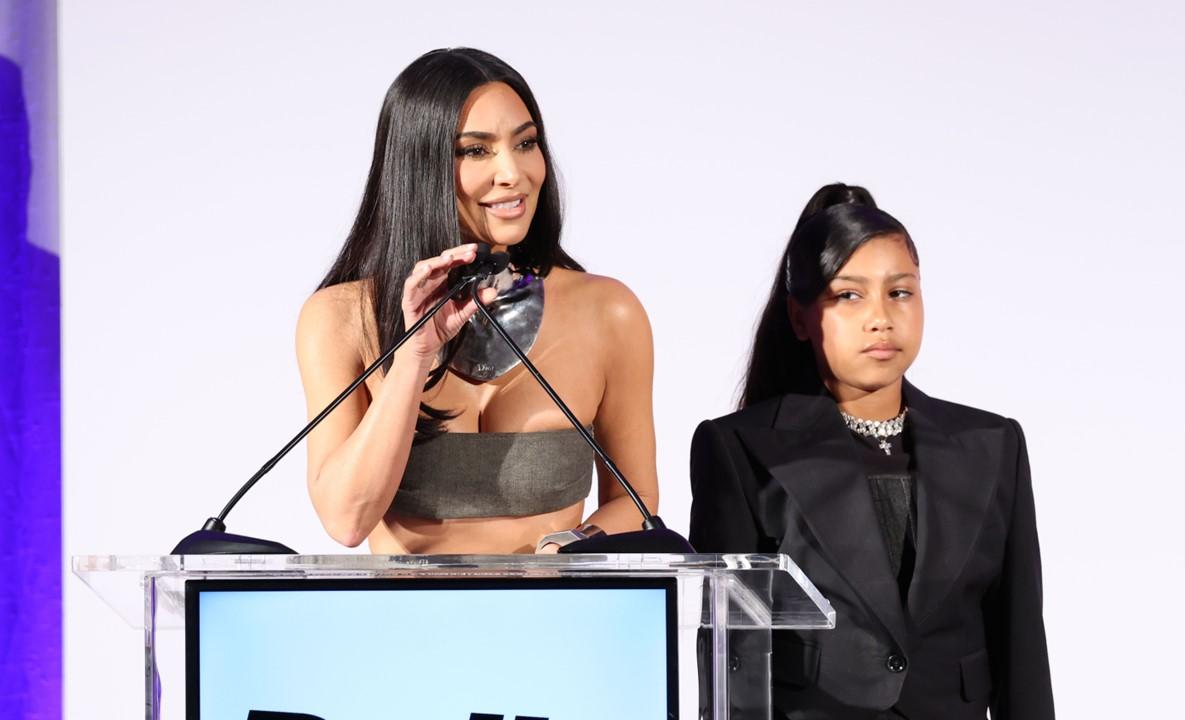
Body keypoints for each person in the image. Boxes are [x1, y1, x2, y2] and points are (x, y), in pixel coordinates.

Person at [688, 184, 1053, 718]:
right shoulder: (741, 448)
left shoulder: (992, 445)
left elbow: (1021, 645)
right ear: (799, 317)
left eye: (900, 292)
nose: (881, 318)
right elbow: (730, 661)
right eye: (850, 295)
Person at [297, 48, 657, 554]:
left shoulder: (609, 312)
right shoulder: (339, 318)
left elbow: (637, 502)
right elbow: (346, 519)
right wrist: (413, 356)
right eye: (476, 150)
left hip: (554, 622)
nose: (513, 173)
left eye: (526, 143)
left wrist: (570, 546)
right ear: (418, 166)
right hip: (402, 627)